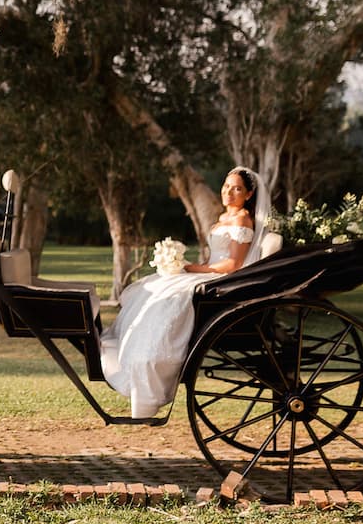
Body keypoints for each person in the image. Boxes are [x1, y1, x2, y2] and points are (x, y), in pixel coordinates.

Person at [99, 166, 270, 418]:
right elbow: (215, 256)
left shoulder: (243, 220)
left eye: (237, 189)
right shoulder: (223, 218)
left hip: (222, 277)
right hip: (209, 271)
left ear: (249, 194)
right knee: (151, 287)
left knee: (169, 297)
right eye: (226, 186)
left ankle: (150, 366)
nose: (229, 192)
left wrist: (191, 268)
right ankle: (131, 358)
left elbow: (232, 264)